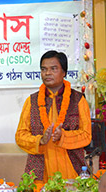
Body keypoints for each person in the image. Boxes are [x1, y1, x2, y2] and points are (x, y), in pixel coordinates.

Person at [15, 50, 92, 183]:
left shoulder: (78, 99)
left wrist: (63, 136)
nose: (47, 73)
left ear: (64, 72)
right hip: (40, 171)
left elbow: (86, 135)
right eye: (44, 69)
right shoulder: (32, 101)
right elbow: (20, 136)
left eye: (53, 69)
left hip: (72, 169)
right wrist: (40, 140)